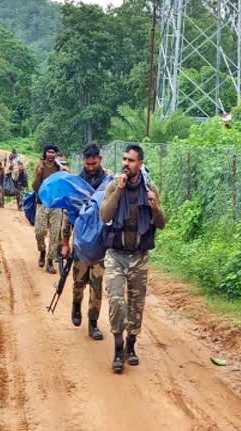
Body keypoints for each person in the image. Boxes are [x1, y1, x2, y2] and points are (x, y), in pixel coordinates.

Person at [100, 144, 166, 373]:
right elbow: (104, 215)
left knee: (136, 306)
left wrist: (156, 208)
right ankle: (118, 349)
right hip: (115, 254)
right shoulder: (113, 185)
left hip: (139, 256)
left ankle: (131, 345)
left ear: (140, 164)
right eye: (125, 159)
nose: (126, 164)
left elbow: (161, 223)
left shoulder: (150, 188)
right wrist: (118, 190)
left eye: (131, 160)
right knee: (117, 301)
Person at [61, 142, 109, 340]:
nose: (90, 167)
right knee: (79, 283)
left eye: (94, 163)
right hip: (80, 244)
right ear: (84, 160)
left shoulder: (108, 182)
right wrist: (65, 242)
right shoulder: (77, 182)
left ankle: (93, 323)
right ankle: (76, 304)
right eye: (88, 163)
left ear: (100, 159)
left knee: (97, 286)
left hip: (101, 244)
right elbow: (68, 214)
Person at [33, 144, 64, 274]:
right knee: (39, 231)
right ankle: (42, 251)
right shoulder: (40, 167)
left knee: (55, 234)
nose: (51, 154)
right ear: (45, 153)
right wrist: (38, 175)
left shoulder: (58, 168)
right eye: (49, 152)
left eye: (53, 153)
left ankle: (50, 262)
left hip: (56, 204)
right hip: (42, 203)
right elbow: (35, 187)